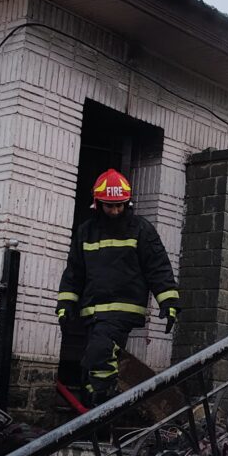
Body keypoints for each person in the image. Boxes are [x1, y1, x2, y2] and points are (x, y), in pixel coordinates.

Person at [57, 168, 179, 407]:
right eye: (109, 206)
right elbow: (74, 272)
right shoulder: (86, 232)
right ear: (97, 204)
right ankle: (91, 411)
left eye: (120, 206)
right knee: (90, 362)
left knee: (100, 351)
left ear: (127, 203)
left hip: (123, 309)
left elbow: (158, 267)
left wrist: (169, 302)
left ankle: (105, 404)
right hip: (92, 311)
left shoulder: (141, 229)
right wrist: (65, 303)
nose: (115, 211)